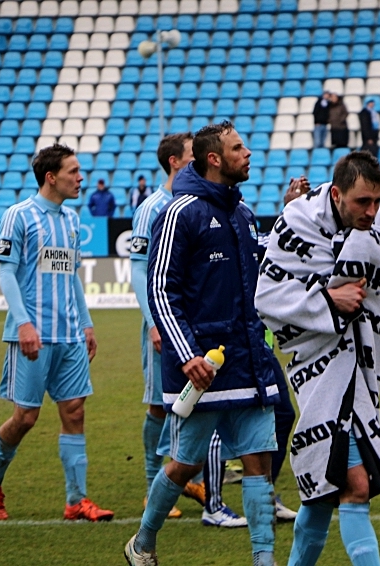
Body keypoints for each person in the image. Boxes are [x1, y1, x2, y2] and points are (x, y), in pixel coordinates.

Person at [124, 121, 282, 566]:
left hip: (248, 361)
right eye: (238, 147)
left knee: (258, 462)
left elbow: (257, 268)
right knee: (183, 466)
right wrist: (187, 353)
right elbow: (160, 289)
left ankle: (263, 558)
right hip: (201, 368)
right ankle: (144, 542)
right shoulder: (180, 212)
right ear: (214, 158)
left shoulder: (243, 213)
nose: (248, 153)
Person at [255, 151, 380, 566]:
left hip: (363, 368)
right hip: (317, 368)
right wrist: (328, 297)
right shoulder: (297, 222)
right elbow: (266, 296)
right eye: (362, 202)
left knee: (323, 493)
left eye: (377, 201)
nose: (372, 212)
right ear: (337, 194)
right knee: (355, 485)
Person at [0, 143, 113, 523]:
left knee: (74, 411)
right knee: (25, 418)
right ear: (51, 177)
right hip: (33, 333)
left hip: (69, 334)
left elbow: (71, 278)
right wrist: (23, 323)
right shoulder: (18, 216)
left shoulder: (71, 221)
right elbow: (6, 272)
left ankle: (76, 501)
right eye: (73, 171)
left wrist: (85, 322)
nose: (80, 177)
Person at [130, 133, 245, 528]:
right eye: (191, 154)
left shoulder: (207, 203)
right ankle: (154, 482)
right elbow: (141, 271)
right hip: (166, 326)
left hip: (204, 329)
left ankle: (193, 475)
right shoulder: (156, 209)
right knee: (160, 404)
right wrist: (153, 322)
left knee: (198, 404)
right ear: (177, 162)